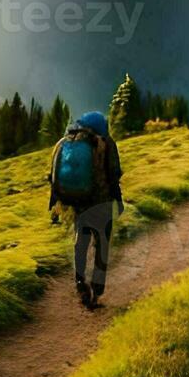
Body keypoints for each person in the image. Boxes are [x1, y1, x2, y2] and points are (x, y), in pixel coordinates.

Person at [48, 111, 124, 309]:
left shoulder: (66, 142)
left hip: (79, 201)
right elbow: (114, 174)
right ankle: (97, 289)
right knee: (102, 245)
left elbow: (54, 175)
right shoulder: (105, 143)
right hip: (102, 204)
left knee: (80, 242)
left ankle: (80, 284)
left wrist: (54, 203)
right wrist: (119, 200)